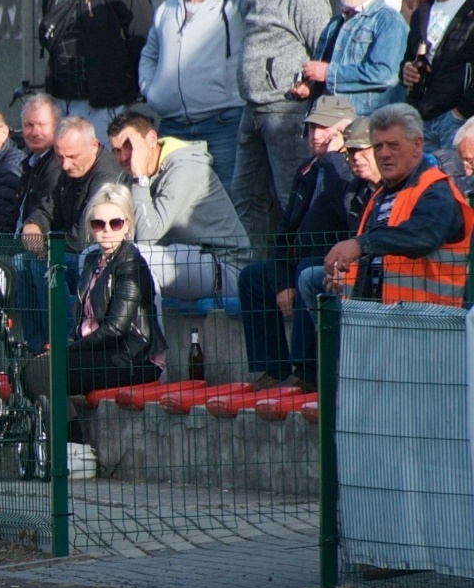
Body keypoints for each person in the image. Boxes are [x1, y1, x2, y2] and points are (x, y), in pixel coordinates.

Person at [194, 0, 332, 255]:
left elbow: (325, 46)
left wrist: (309, 87)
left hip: (286, 111)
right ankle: (257, 281)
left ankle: (302, 277)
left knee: (291, 198)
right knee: (246, 198)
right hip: (253, 109)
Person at [24, 182, 166, 439]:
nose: (106, 231)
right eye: (98, 224)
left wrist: (67, 350)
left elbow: (116, 329)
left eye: (115, 223)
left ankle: (72, 443)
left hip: (131, 357)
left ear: (128, 225)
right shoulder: (92, 261)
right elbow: (82, 322)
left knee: (43, 371)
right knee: (26, 368)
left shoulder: (131, 262)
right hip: (100, 353)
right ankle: (56, 443)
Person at [237, 98, 357, 391]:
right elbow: (284, 231)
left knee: (307, 270)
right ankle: (273, 368)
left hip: (334, 261)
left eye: (324, 127)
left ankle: (307, 372)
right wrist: (280, 282)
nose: (315, 135)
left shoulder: (350, 169)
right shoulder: (305, 170)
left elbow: (347, 209)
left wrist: (333, 160)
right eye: (311, 127)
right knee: (252, 277)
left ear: (345, 131)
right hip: (300, 257)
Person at [303, 103, 474, 309]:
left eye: (393, 145)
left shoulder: (435, 190)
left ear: (417, 145)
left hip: (428, 325)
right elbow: (380, 259)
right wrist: (347, 272)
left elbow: (423, 234)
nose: (384, 154)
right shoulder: (381, 194)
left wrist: (359, 244)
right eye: (378, 146)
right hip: (383, 317)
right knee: (311, 279)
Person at [138, 0, 249, 192]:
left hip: (222, 122)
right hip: (172, 123)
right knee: (169, 193)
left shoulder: (237, 4)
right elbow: (149, 54)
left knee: (225, 195)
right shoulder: (167, 8)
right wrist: (150, 90)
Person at [107, 111, 251, 300]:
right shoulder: (132, 175)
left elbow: (145, 239)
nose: (124, 157)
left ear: (151, 139)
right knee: (92, 256)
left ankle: (149, 330)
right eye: (116, 151)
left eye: (129, 146)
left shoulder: (185, 168)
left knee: (135, 259)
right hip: (185, 260)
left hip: (226, 267)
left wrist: (140, 179)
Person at [37, 0, 154, 138]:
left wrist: (134, 88)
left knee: (102, 167)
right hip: (60, 101)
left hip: (104, 105)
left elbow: (145, 40)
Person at [17, 116, 126, 351]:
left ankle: (64, 346)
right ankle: (34, 348)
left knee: (45, 265)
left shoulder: (104, 177)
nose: (65, 165)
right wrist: (32, 226)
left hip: (99, 259)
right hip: (73, 252)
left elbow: (85, 237)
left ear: (93, 146)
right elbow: (48, 209)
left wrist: (44, 248)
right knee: (21, 263)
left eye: (72, 157)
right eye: (59, 156)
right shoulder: (70, 171)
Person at [300, 0, 408, 115]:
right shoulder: (336, 22)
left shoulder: (389, 20)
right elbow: (322, 71)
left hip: (365, 127)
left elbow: (385, 75)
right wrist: (308, 85)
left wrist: (328, 73)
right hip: (330, 123)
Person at [401, 0, 474, 152]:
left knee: (459, 183)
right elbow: (408, 57)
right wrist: (406, 70)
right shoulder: (422, 10)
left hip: (459, 120)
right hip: (421, 118)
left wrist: (461, 111)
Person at [15, 94, 65, 228]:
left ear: (57, 126)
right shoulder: (30, 163)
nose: (35, 132)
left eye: (42, 125)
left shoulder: (59, 163)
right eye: (29, 125)